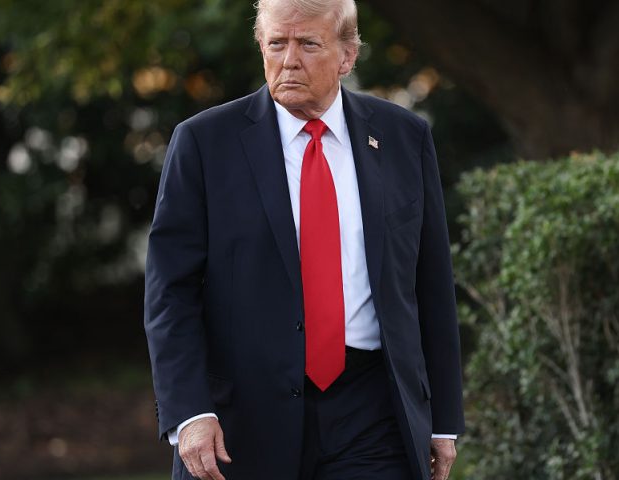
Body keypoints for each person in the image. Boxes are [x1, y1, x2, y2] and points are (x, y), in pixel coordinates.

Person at [144, 0, 464, 478]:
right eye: (276, 43)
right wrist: (189, 412)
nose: (289, 59)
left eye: (308, 44)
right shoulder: (205, 143)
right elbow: (170, 291)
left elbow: (431, 284)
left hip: (372, 409)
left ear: (347, 55)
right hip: (242, 417)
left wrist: (443, 421)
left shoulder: (402, 137)